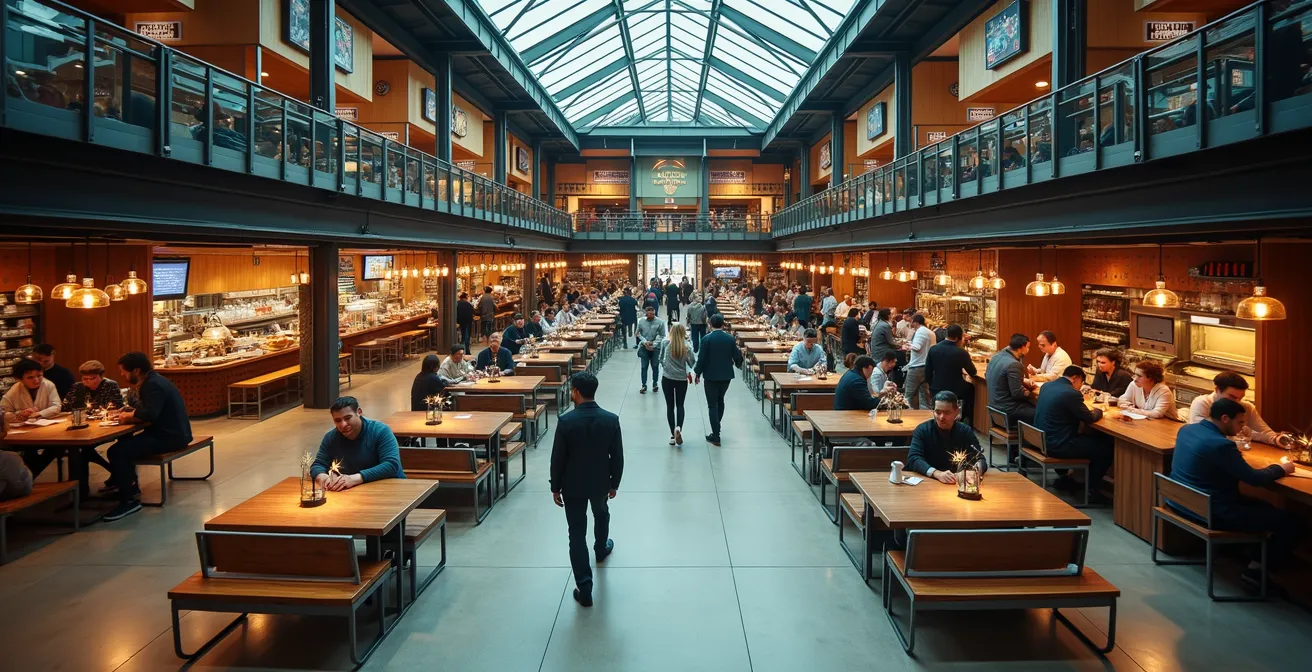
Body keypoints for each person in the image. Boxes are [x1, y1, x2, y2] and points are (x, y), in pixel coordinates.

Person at [1170, 398, 1298, 587]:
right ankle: (1255, 572)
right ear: (1225, 418)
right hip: (1214, 512)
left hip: (1182, 502)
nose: (1242, 428)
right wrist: (1282, 468)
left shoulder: (1187, 430)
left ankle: (1245, 554)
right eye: (1240, 422)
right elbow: (1254, 479)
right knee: (1290, 522)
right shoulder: (1221, 445)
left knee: (1265, 506)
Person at [550, 372, 623, 607]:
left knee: (576, 532)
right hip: (600, 482)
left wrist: (555, 486)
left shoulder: (566, 422)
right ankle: (601, 548)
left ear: (576, 392)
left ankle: (584, 588)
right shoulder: (610, 420)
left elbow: (558, 458)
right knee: (601, 513)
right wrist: (614, 483)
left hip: (572, 485)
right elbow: (617, 456)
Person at [103, 352, 192, 522]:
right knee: (124, 445)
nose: (122, 375)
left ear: (136, 370)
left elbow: (150, 414)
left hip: (170, 437)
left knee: (117, 452)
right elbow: (150, 409)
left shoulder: (151, 385)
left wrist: (127, 417)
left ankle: (129, 500)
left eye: (124, 371)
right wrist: (132, 411)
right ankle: (128, 487)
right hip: (173, 432)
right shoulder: (155, 380)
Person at [1034, 365, 1113, 503]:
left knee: (1092, 440)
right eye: (1081, 383)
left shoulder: (1047, 386)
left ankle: (1072, 478)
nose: (1080, 387)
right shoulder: (1071, 393)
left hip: (1041, 440)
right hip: (1058, 444)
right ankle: (1091, 489)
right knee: (1106, 449)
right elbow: (1089, 418)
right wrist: (1099, 410)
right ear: (1075, 378)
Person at [312, 396, 405, 492]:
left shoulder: (380, 431)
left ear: (359, 412)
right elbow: (318, 465)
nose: (343, 424)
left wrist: (354, 478)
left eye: (348, 418)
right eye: (338, 420)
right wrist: (324, 478)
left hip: (391, 490)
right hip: (355, 493)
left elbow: (391, 465)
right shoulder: (330, 438)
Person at [1187, 371, 1287, 446]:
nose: (1237, 402)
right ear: (1217, 390)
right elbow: (1203, 436)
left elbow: (1265, 432)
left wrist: (1278, 440)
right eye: (1232, 397)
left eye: (1240, 398)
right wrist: (1246, 433)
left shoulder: (1246, 407)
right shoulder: (1202, 403)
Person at [907, 391, 987, 483]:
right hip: (927, 481)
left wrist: (975, 471)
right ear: (933, 411)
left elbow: (980, 459)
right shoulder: (922, 430)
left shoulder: (965, 431)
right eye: (938, 412)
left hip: (956, 482)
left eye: (947, 413)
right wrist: (936, 473)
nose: (942, 417)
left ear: (957, 412)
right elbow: (914, 458)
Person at [694, 314, 742, 446]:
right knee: (720, 400)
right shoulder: (730, 338)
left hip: (710, 375)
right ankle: (717, 426)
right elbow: (737, 356)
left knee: (712, 405)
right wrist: (738, 363)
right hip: (726, 375)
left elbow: (701, 358)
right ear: (723, 324)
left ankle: (716, 434)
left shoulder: (706, 339)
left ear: (710, 324)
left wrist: (697, 373)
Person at [986, 333, 1037, 449]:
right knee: (1040, 413)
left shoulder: (997, 357)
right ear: (1021, 347)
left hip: (995, 407)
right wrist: (1031, 393)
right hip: (1008, 410)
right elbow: (1017, 394)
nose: (1028, 349)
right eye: (1028, 347)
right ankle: (1028, 451)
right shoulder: (1014, 364)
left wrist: (1022, 381)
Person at [925, 324, 978, 425]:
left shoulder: (933, 349)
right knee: (971, 389)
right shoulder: (961, 352)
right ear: (958, 338)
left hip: (936, 387)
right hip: (955, 388)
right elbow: (972, 372)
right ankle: (966, 418)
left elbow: (928, 371)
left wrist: (930, 386)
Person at [659, 323, 696, 446]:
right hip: (681, 379)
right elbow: (692, 362)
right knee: (680, 405)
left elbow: (661, 359)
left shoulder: (665, 343)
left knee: (670, 406)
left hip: (667, 378)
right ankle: (679, 427)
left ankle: (672, 435)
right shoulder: (687, 346)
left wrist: (668, 368)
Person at [1, 358, 61, 425]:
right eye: (30, 377)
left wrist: (38, 414)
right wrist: (19, 415)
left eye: (39, 376)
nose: (36, 380)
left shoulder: (48, 385)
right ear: (19, 379)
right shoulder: (15, 389)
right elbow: (2, 411)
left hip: (47, 425)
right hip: (25, 427)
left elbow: (56, 407)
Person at [61, 360, 125, 411]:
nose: (89, 381)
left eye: (92, 378)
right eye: (85, 379)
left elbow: (117, 406)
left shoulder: (110, 385)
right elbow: (66, 406)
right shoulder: (77, 387)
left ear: (101, 376)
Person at [902, 314, 936, 410]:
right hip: (927, 366)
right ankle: (925, 414)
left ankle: (907, 414)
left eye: (912, 322)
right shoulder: (930, 332)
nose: (911, 324)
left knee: (908, 394)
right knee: (924, 394)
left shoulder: (920, 331)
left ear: (916, 322)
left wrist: (906, 346)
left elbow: (917, 347)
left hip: (917, 366)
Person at [635, 305, 667, 394]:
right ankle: (643, 385)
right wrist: (645, 342)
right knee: (644, 366)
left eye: (652, 314)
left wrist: (654, 343)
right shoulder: (641, 321)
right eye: (649, 314)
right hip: (644, 347)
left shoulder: (660, 322)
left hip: (655, 348)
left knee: (655, 366)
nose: (651, 316)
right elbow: (638, 333)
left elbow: (662, 335)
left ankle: (655, 384)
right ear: (646, 314)